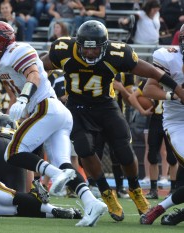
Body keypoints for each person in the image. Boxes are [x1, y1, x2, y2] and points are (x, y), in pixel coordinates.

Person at [0, 21, 108, 227]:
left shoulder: (18, 51)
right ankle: (92, 203)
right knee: (64, 164)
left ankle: (56, 175)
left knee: (12, 152)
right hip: (57, 114)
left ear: (1, 42)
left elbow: (33, 74)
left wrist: (23, 98)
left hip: (46, 107)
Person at [40, 20, 184, 222]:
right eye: (85, 49)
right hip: (77, 107)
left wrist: (177, 90)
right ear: (78, 44)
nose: (90, 54)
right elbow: (38, 67)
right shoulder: (63, 49)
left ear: (104, 46)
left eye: (95, 49)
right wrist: (40, 91)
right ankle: (106, 192)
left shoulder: (117, 53)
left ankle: (134, 189)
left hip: (106, 106)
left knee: (124, 152)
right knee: (84, 150)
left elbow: (153, 72)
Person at [139, 23, 184, 225]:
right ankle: (161, 208)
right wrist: (174, 94)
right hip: (179, 122)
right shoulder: (170, 57)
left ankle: (165, 209)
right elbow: (148, 90)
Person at [128, 79, 178, 199]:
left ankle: (173, 189)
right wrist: (142, 110)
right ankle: (153, 189)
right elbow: (133, 97)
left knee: (172, 157)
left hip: (171, 119)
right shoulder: (151, 80)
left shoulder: (176, 79)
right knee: (152, 155)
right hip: (156, 119)